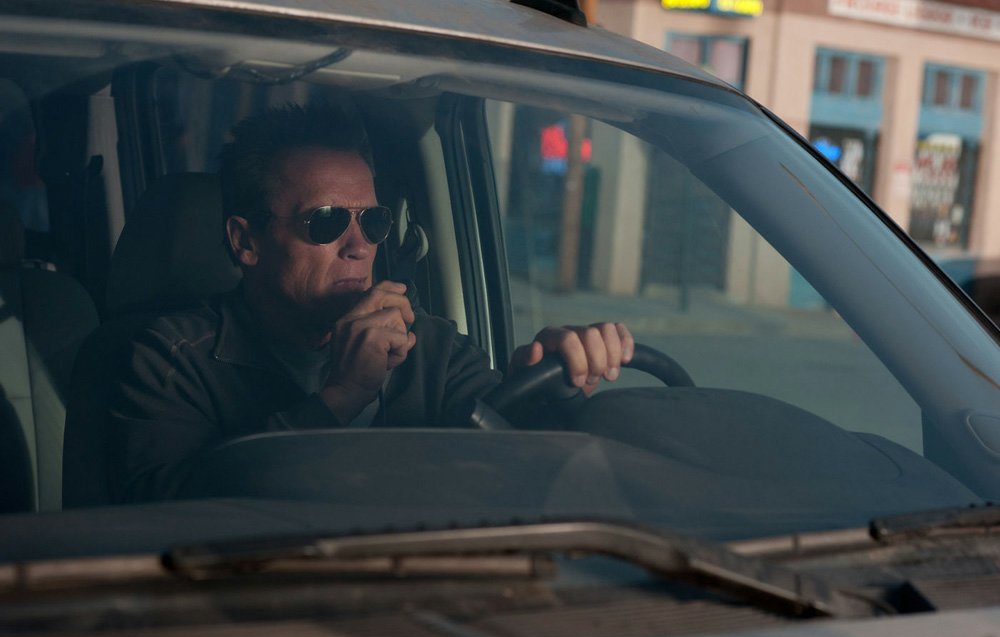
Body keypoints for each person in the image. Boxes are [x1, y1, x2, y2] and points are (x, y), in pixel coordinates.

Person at [107, 104, 632, 502]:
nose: (359, 246)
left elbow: (517, 465)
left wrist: (553, 384)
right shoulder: (167, 361)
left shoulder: (429, 346)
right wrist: (342, 396)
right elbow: (179, 518)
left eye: (373, 221)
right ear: (246, 241)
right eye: (326, 221)